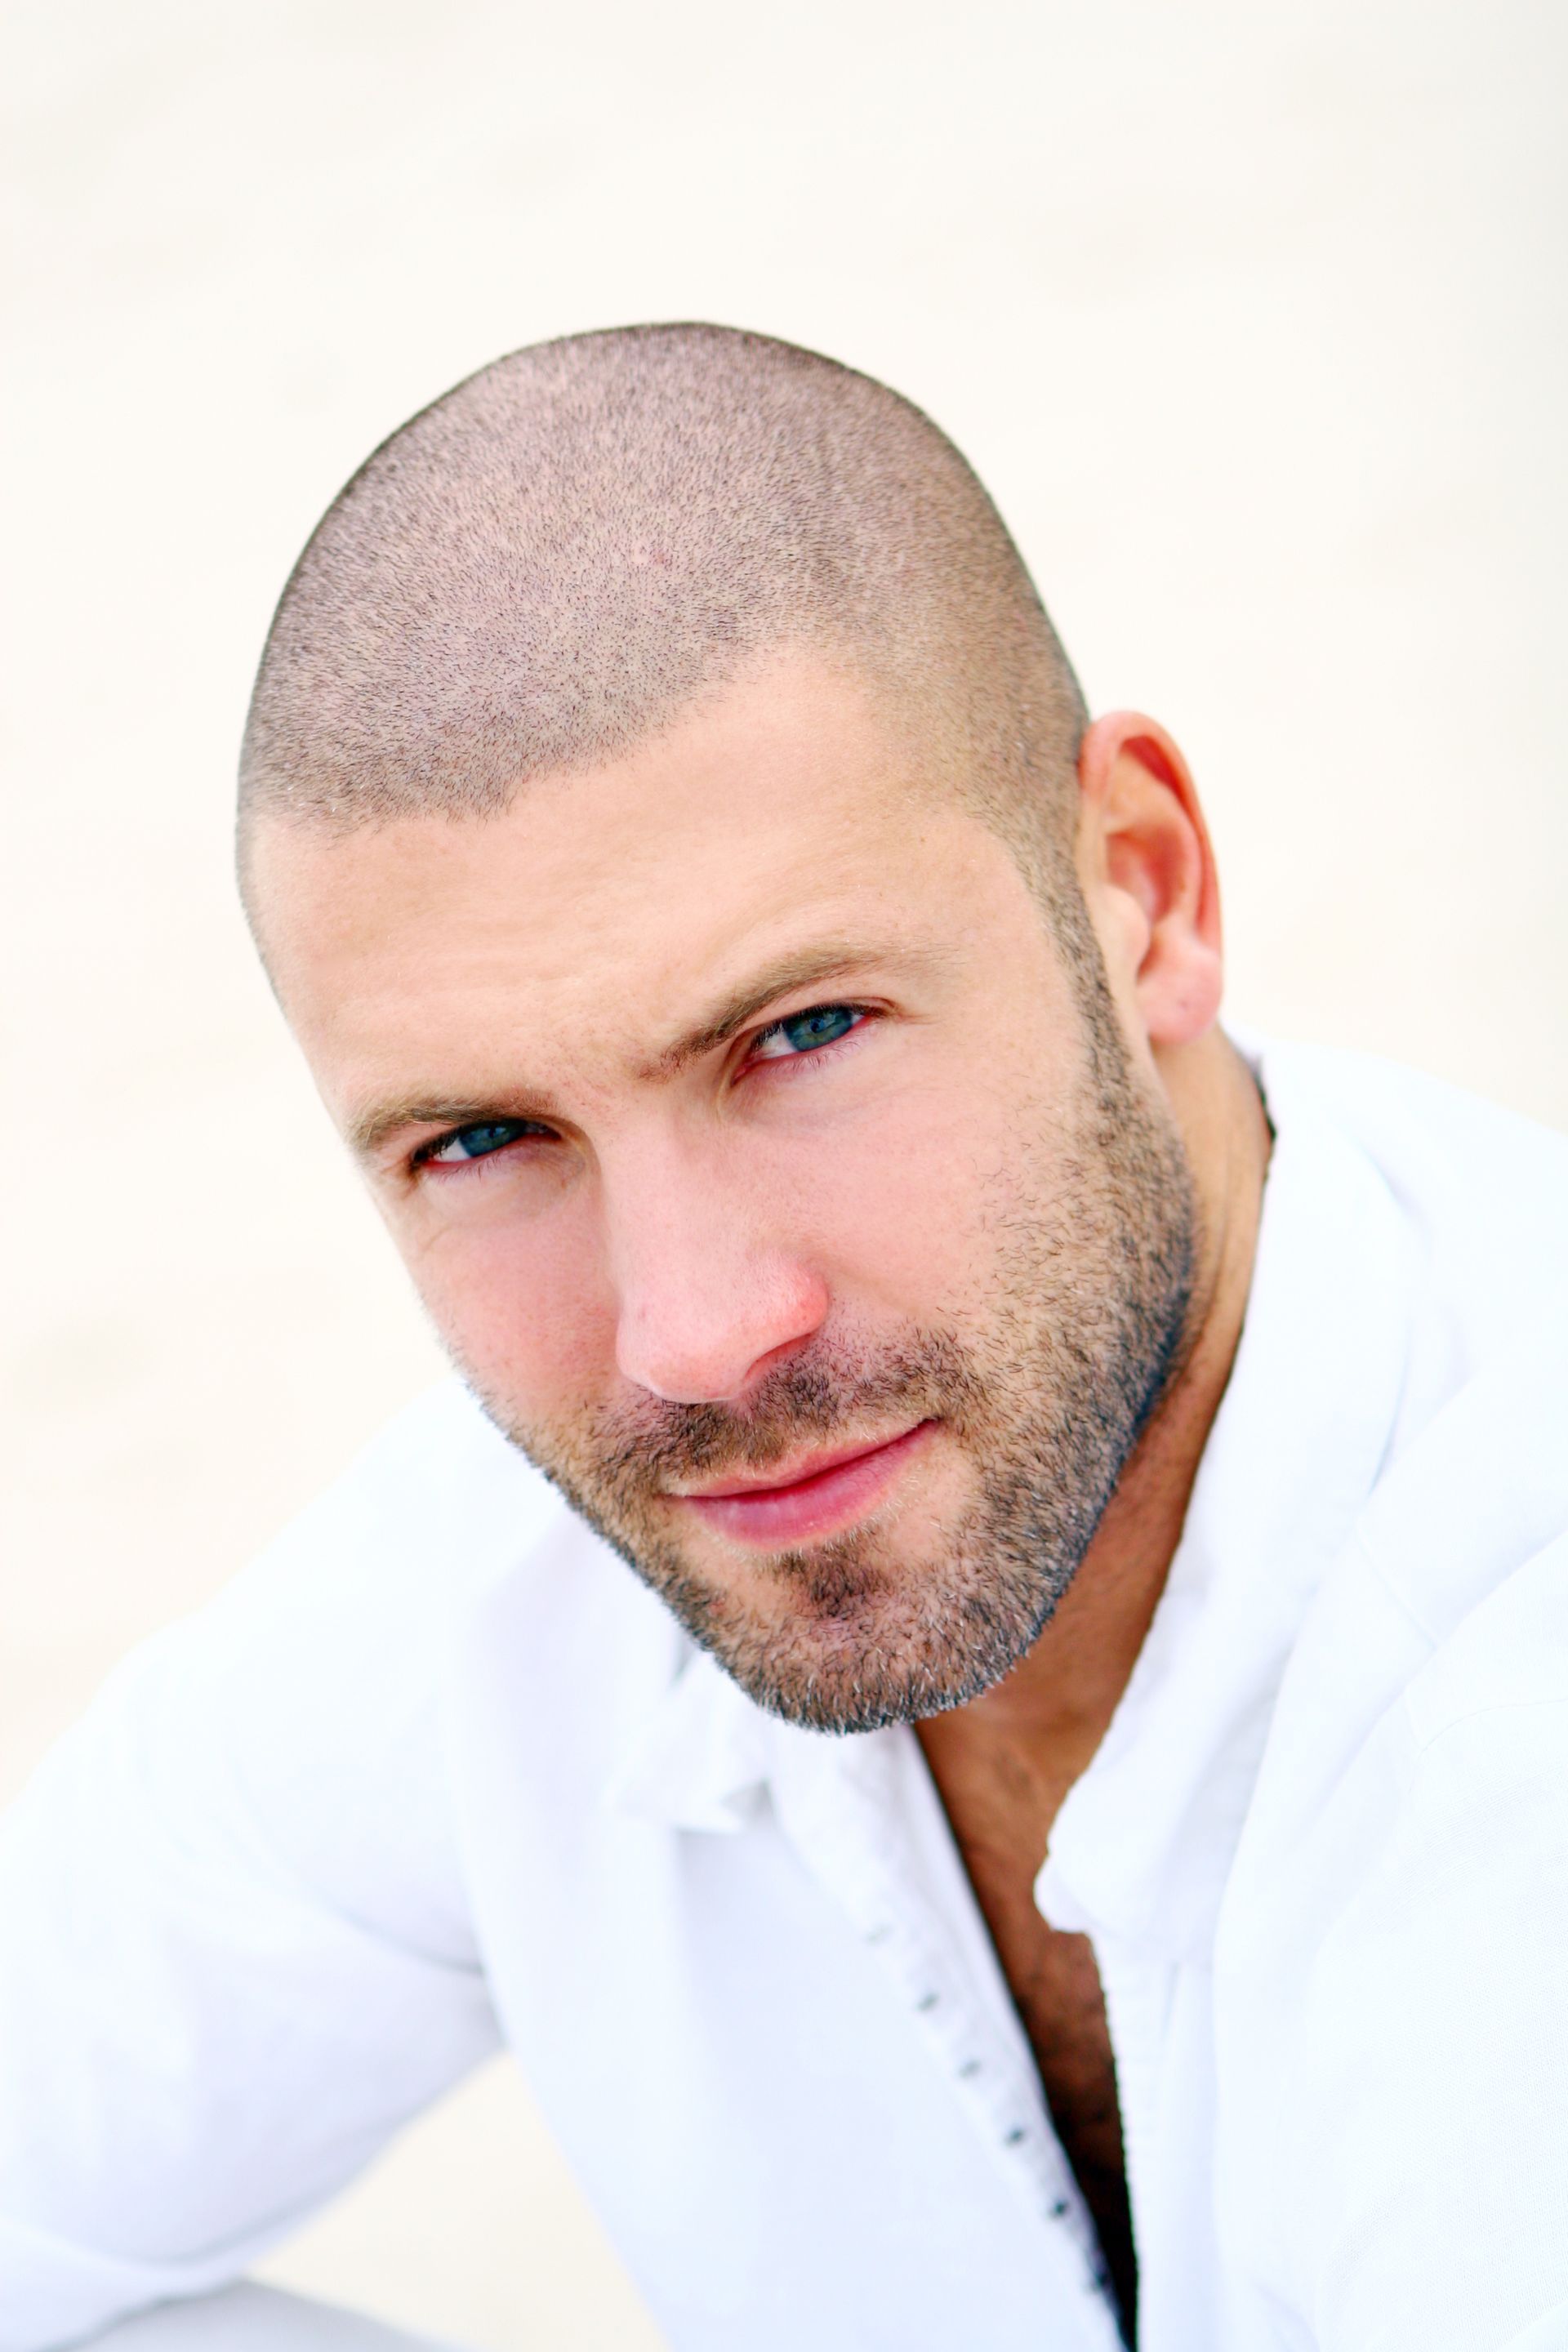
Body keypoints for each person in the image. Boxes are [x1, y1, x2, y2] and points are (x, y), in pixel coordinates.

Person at [2, 324, 1566, 2352]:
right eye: (485, 1140)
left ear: (1140, 890)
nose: (699, 1340)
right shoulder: (505, 1592)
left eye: (803, 1034)